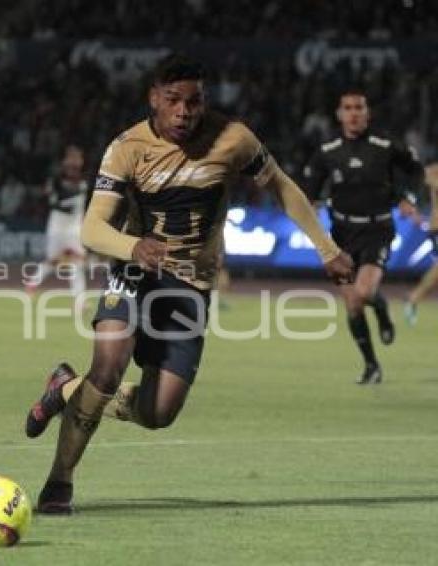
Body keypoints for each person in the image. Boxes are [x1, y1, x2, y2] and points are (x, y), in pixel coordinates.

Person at [23, 54, 353, 514]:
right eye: (173, 100)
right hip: (136, 271)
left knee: (158, 414)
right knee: (109, 367)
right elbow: (92, 228)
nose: (184, 112)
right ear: (153, 98)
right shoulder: (127, 148)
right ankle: (60, 481)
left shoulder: (233, 138)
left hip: (190, 287)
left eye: (194, 101)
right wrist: (133, 246)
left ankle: (65, 388)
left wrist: (327, 248)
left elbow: (281, 186)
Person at [302, 88, 424, 384]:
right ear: (339, 114)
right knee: (353, 304)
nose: (354, 113)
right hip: (341, 234)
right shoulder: (327, 152)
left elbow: (416, 171)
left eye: (359, 107)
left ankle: (381, 308)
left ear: (367, 114)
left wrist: (408, 198)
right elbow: (310, 194)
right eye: (348, 107)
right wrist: (311, 210)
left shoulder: (385, 145)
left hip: (377, 230)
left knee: (365, 293)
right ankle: (371, 366)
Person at [26, 145, 90, 297]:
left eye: (78, 157)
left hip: (75, 228)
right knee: (53, 261)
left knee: (78, 262)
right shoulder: (56, 180)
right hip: (57, 226)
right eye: (71, 157)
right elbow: (52, 202)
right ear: (64, 161)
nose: (75, 161)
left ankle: (79, 299)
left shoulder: (86, 179)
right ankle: (32, 283)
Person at [404, 163, 438, 325]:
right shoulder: (433, 171)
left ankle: (413, 299)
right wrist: (412, 210)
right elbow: (411, 184)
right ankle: (413, 299)